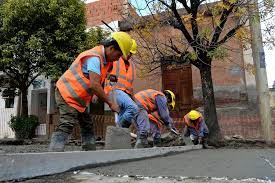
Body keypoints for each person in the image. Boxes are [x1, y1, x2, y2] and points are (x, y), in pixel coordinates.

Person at [49, 32, 133, 152]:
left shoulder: (108, 62)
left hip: (79, 98)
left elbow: (97, 78)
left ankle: (89, 152)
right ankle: (54, 152)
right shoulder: (94, 58)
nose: (118, 58)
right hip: (67, 93)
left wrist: (96, 92)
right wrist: (111, 103)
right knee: (67, 122)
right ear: (111, 48)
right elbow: (94, 84)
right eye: (118, 55)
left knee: (87, 124)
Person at [104, 39, 139, 128]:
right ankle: (120, 129)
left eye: (131, 53)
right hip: (113, 91)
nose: (129, 55)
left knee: (124, 116)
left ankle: (118, 136)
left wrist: (133, 97)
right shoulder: (114, 59)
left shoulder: (132, 66)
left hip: (125, 94)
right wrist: (95, 94)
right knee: (133, 108)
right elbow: (102, 74)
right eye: (128, 52)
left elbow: (130, 86)